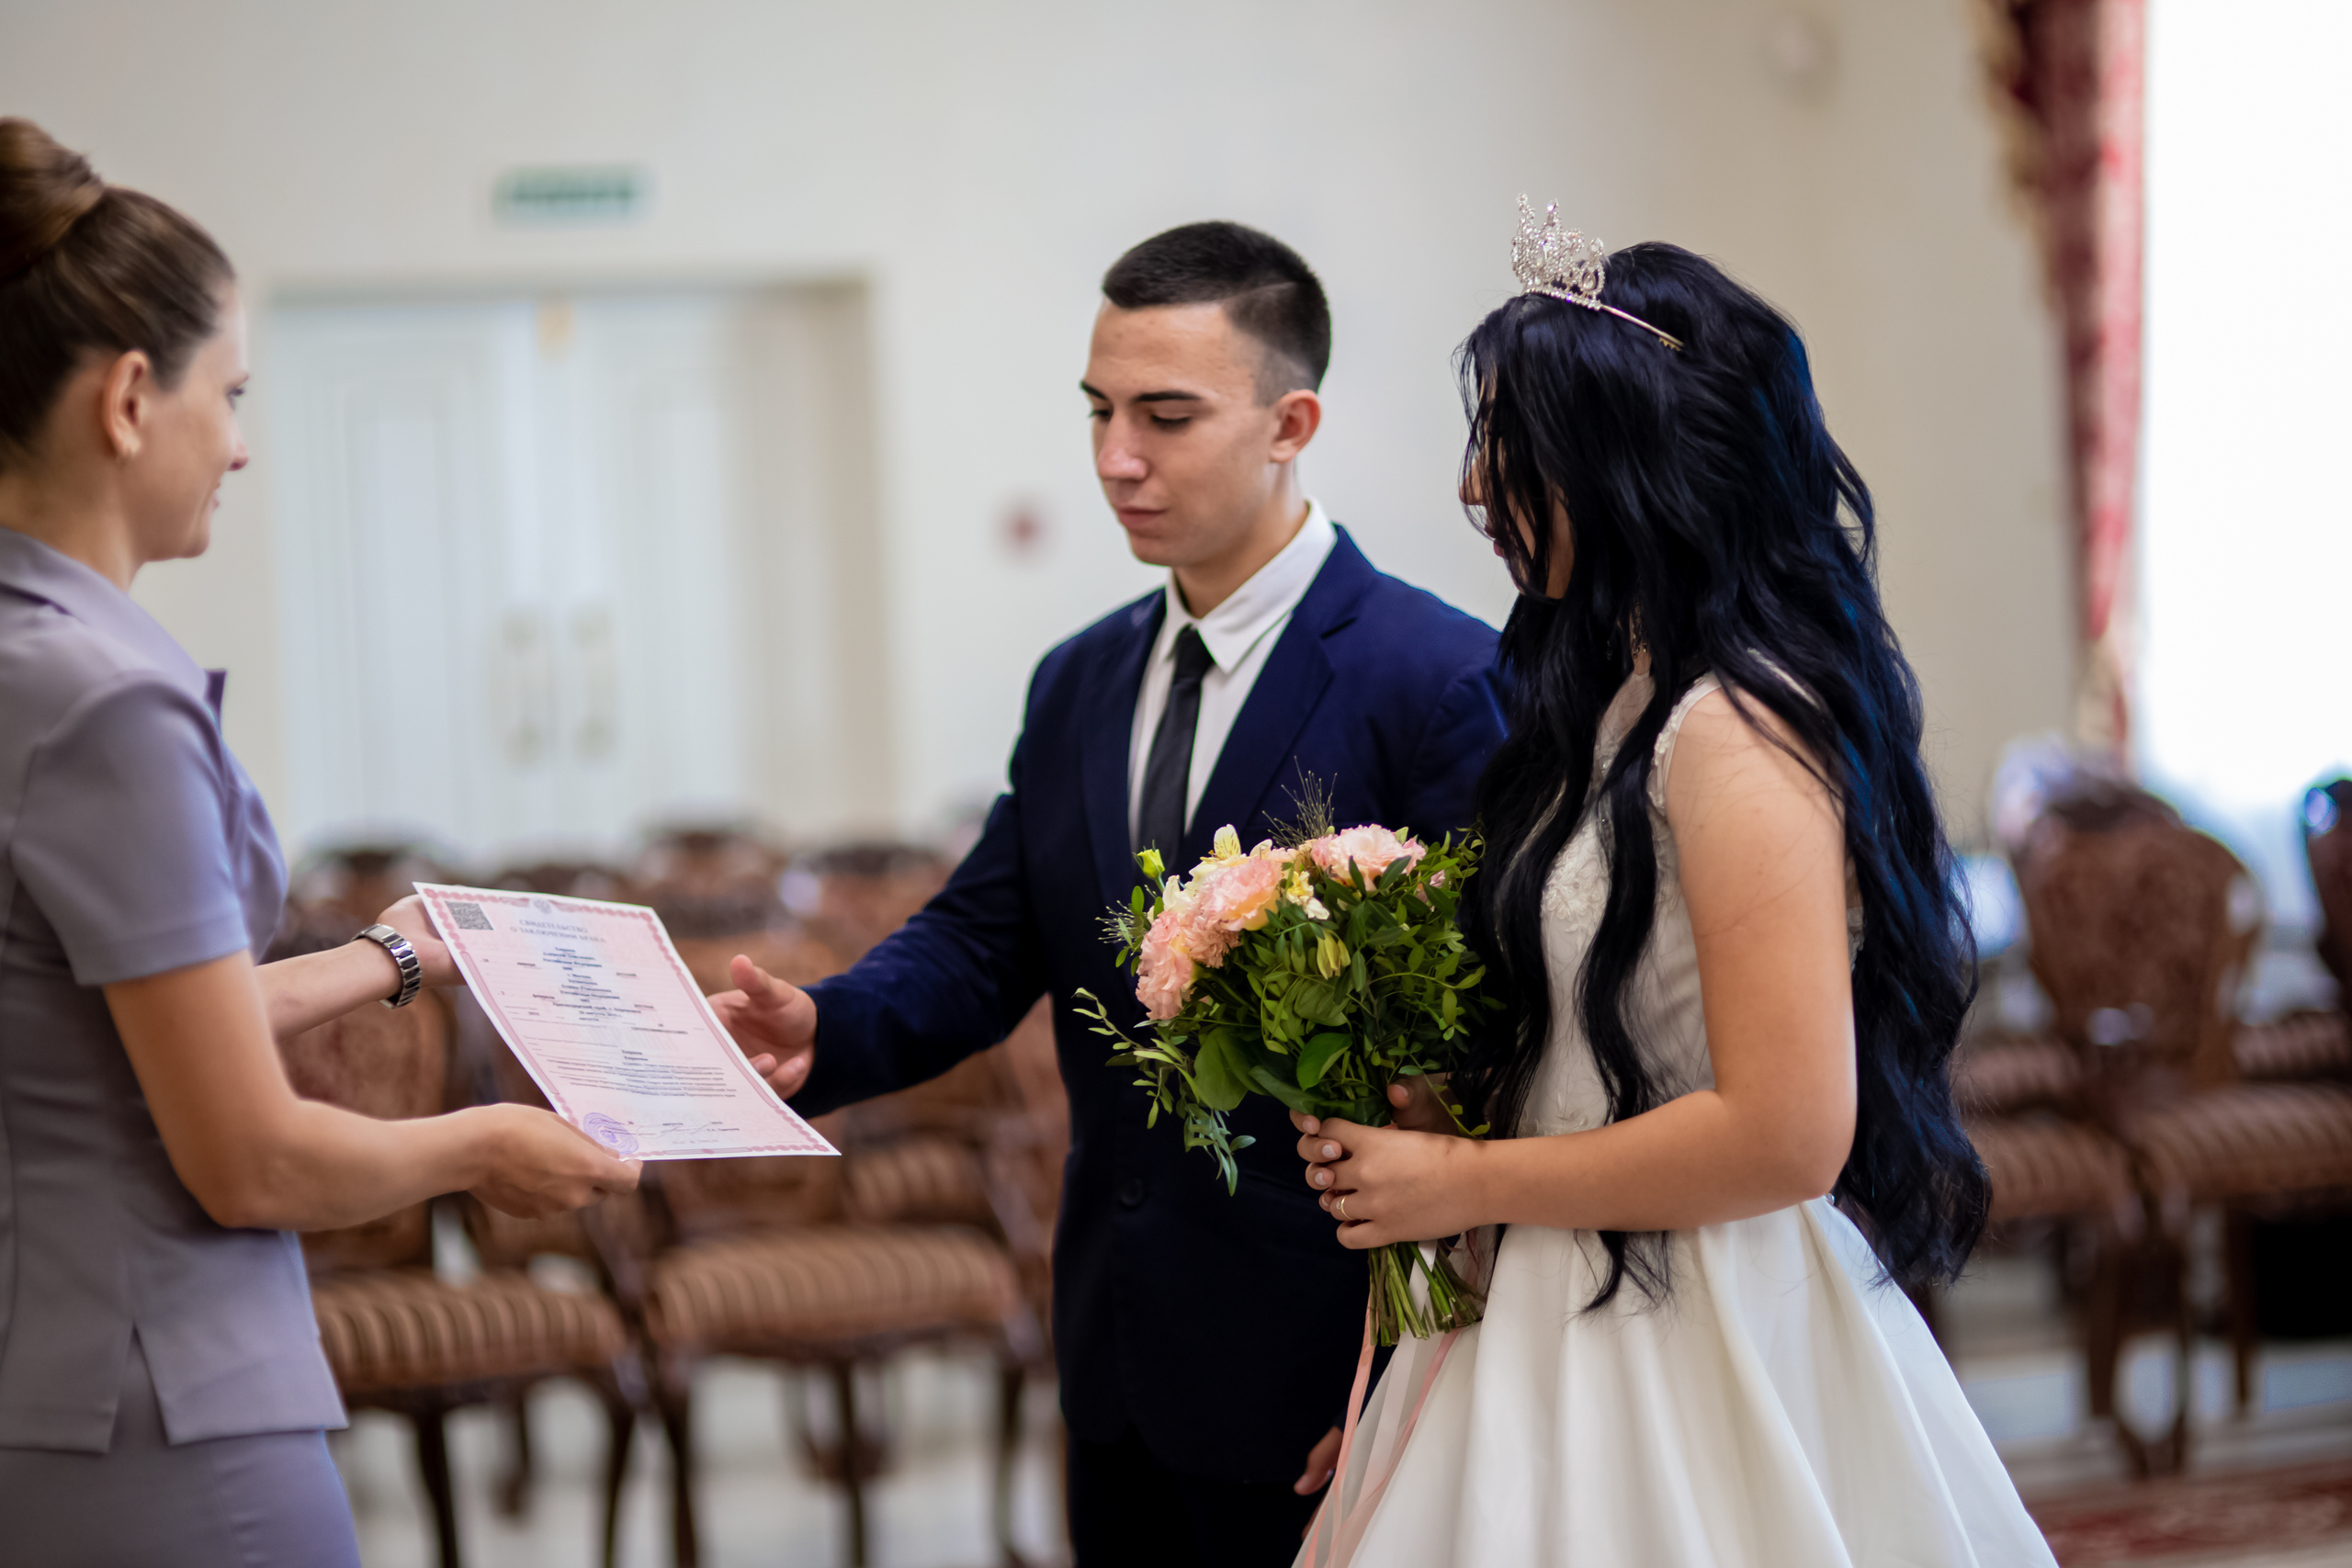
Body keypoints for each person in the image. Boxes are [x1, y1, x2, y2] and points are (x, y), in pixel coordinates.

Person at [712, 221, 1506, 1566]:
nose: (1114, 459)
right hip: (1118, 1350)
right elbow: (987, 935)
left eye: (1165, 416)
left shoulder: (1434, 680)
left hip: (1332, 1371)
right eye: (1098, 411)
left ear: (1288, 421)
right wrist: (828, 1028)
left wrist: (1417, 1363)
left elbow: (1496, 1053)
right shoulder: (1079, 679)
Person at [1289, 218, 2056, 1565]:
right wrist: (1446, 1121)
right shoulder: (1609, 707)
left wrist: (1467, 1178)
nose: (1474, 483)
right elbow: (1608, 1045)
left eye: (1511, 442)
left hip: (1698, 1313)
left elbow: (1787, 1132)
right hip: (1551, 1293)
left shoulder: (1738, 730)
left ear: (1625, 461)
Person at [0, 118, 639, 1567]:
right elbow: (249, 1159)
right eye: (227, 395)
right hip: (158, 1397)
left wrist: (395, 956)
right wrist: (488, 1144)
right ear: (125, 400)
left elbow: (121, 1014)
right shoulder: (103, 701)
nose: (240, 443)